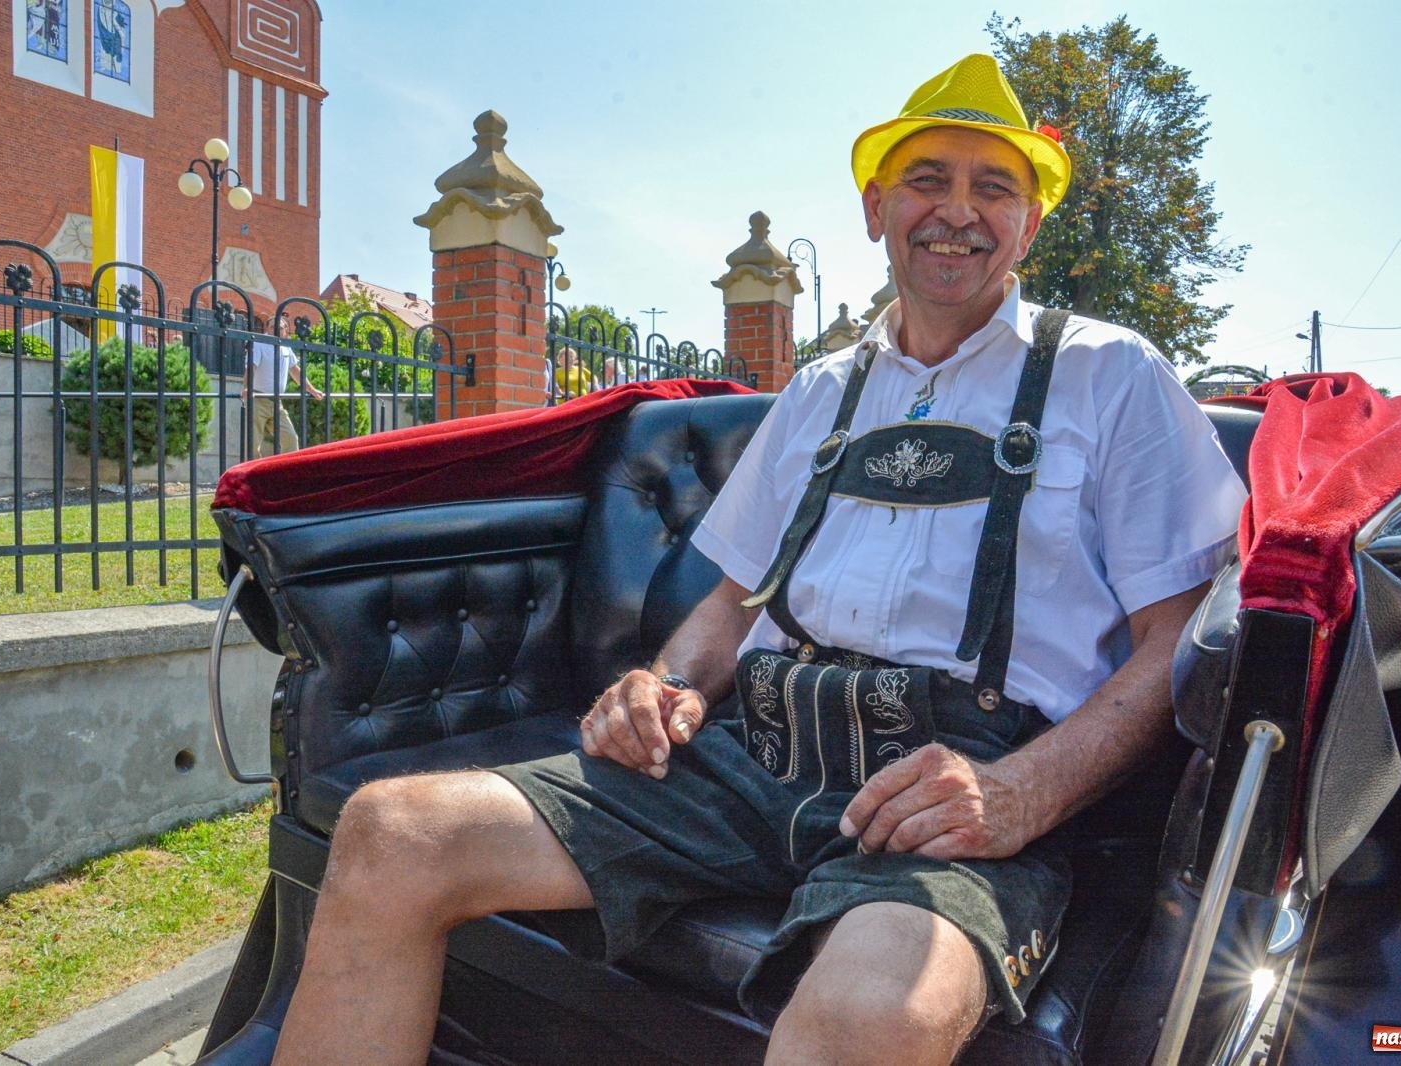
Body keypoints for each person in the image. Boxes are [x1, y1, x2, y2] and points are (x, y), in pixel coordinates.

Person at [269, 55, 1244, 1066]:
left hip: (953, 782)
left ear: (1027, 225)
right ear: (875, 207)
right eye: (927, 180)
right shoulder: (820, 392)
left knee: (875, 1014)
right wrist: (664, 683)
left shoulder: (1110, 376)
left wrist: (1022, 794)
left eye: (992, 187)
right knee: (394, 834)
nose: (956, 210)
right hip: (758, 747)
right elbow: (734, 601)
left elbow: (1170, 644)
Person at [246, 314, 323, 458]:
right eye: (272, 326)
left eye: (280, 327)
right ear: (266, 328)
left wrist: (311, 389)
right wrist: (247, 388)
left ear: (286, 330)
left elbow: (295, 371)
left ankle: (289, 474)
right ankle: (254, 477)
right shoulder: (259, 343)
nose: (276, 329)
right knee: (253, 444)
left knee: (291, 439)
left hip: (277, 403)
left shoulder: (286, 348)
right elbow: (251, 367)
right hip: (258, 398)